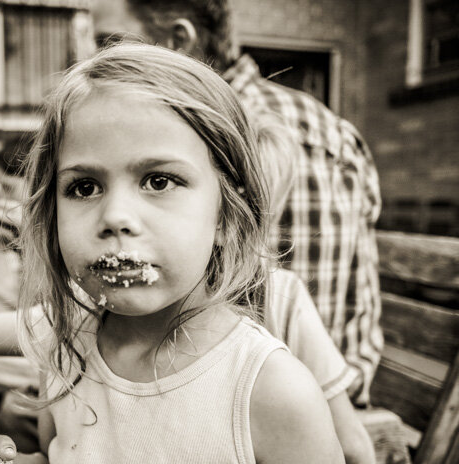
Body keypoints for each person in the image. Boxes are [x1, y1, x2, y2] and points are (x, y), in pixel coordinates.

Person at [0, 43, 348, 464]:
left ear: (226, 214)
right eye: (84, 187)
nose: (115, 216)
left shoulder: (272, 394)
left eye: (159, 181)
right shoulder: (67, 351)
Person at [90, 0, 383, 412]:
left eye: (110, 45)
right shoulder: (335, 129)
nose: (95, 64)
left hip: (263, 408)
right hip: (345, 385)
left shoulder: (214, 136)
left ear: (178, 41)